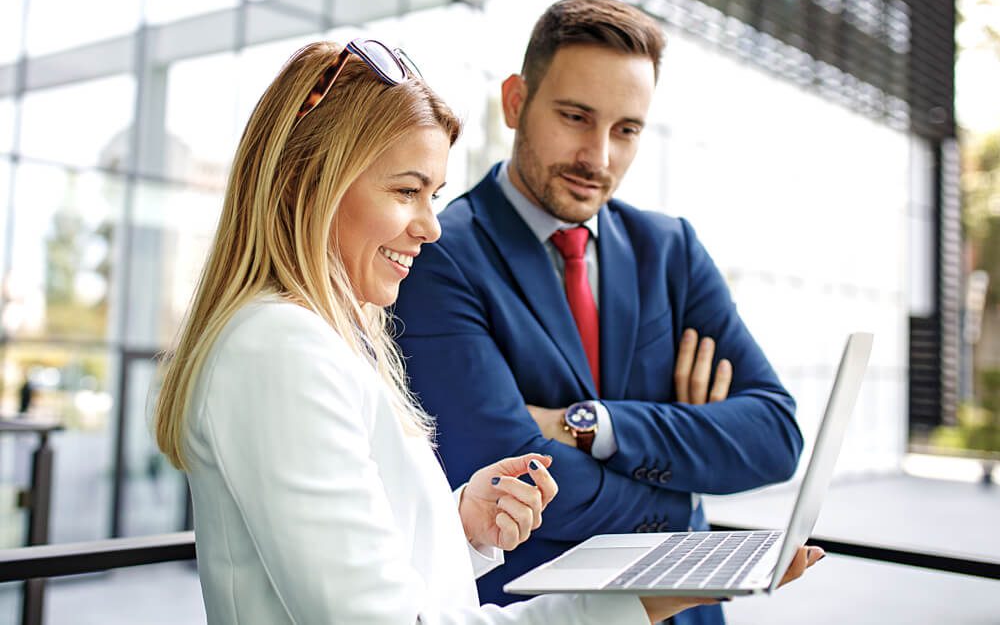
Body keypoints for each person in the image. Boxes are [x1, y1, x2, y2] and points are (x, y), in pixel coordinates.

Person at [153, 39, 816, 624]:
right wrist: (639, 597)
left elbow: (368, 562)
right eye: (406, 191)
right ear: (308, 183)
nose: (429, 226)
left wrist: (462, 521)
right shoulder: (283, 351)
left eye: (433, 195)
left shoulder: (321, 340)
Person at [393, 0, 806, 624]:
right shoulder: (440, 256)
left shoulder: (671, 251)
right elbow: (519, 485)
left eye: (626, 130)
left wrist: (590, 425)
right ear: (515, 102)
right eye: (576, 117)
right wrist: (683, 489)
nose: (600, 157)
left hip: (682, 611)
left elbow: (775, 435)